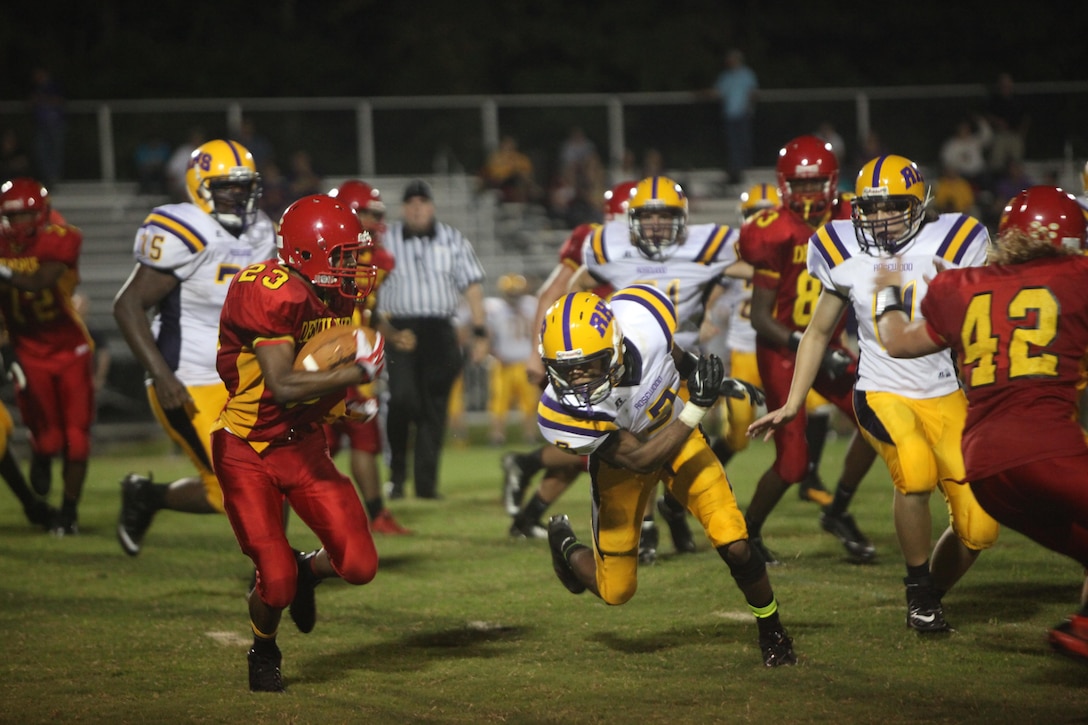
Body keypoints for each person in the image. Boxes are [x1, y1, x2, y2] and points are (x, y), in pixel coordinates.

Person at [748, 153, 1001, 633]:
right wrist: (793, 401)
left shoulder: (957, 240)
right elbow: (818, 333)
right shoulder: (844, 250)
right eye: (871, 207)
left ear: (920, 202)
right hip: (881, 390)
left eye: (892, 207)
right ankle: (918, 590)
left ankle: (931, 595)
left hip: (946, 391)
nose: (880, 218)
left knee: (980, 527)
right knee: (915, 469)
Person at [874, 184, 1088, 660]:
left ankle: (1083, 629)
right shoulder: (1078, 274)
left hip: (987, 469)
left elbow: (900, 341)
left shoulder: (962, 286)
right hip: (1048, 448)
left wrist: (886, 288)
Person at [539, 287, 795, 667]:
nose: (578, 383)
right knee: (616, 591)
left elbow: (672, 355)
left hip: (679, 442)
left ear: (616, 348)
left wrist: (709, 382)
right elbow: (640, 460)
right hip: (623, 469)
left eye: (589, 366)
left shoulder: (645, 319)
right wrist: (696, 407)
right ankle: (564, 544)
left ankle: (771, 628)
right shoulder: (557, 413)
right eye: (565, 371)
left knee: (735, 541)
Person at [212, 193, 386, 692]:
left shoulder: (338, 294)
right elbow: (284, 384)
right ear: (309, 253)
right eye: (344, 255)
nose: (354, 265)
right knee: (275, 579)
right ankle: (263, 648)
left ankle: (309, 569)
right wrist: (359, 370)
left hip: (304, 444)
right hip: (247, 448)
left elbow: (314, 379)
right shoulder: (269, 290)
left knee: (359, 564)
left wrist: (343, 406)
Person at [570, 174, 751, 563]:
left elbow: (757, 268)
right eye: (646, 217)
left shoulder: (709, 247)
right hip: (637, 369)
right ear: (630, 220)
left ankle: (680, 513)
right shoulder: (610, 249)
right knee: (647, 443)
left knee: (687, 450)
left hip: (687, 364)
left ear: (682, 219)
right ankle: (651, 525)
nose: (655, 225)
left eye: (665, 216)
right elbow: (576, 286)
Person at [112, 139, 278, 556]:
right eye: (228, 186)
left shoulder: (261, 230)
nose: (239, 195)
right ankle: (272, 572)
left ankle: (149, 496)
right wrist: (162, 376)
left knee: (275, 474)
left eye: (245, 186)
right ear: (199, 185)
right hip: (188, 378)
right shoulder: (185, 229)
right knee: (234, 489)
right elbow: (128, 306)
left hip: (244, 377)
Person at [736, 136, 878, 565]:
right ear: (784, 187)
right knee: (794, 463)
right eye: (800, 185)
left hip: (830, 343)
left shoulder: (852, 217)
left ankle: (837, 510)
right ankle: (747, 534)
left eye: (817, 183)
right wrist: (806, 344)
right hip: (782, 349)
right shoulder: (771, 231)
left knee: (879, 421)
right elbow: (761, 318)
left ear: (833, 182)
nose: (809, 194)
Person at [503, 180, 637, 540]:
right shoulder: (593, 240)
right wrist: (536, 354)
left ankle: (526, 519)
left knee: (587, 444)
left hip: (611, 357)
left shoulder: (652, 252)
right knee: (604, 444)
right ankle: (526, 462)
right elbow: (553, 293)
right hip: (584, 358)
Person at [375, 179, 487, 500]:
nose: (417, 207)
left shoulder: (453, 240)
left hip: (440, 330)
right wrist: (388, 331)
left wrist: (479, 331)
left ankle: (425, 485)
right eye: (411, 202)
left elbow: (473, 287)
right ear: (403, 208)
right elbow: (371, 289)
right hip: (400, 330)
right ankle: (397, 474)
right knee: (402, 400)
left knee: (434, 411)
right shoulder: (387, 240)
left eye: (422, 202)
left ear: (432, 206)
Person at [0, 177, 92, 534]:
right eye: (12, 217)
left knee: (78, 437)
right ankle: (41, 452)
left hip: (70, 347)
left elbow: (41, 280)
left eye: (25, 216)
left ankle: (69, 512)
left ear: (40, 214)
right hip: (27, 348)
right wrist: (7, 349)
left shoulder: (63, 235)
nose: (18, 224)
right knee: (50, 439)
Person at [325, 179, 413, 535]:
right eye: (368, 213)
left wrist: (391, 336)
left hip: (355, 362)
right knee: (316, 446)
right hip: (321, 359)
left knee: (365, 438)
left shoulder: (378, 259)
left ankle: (376, 514)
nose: (376, 222)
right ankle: (321, 514)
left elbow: (367, 309)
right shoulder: (323, 251)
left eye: (378, 215)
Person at [483, 274, 538, 446]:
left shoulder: (531, 305)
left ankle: (530, 435)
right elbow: (488, 336)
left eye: (516, 292)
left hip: (525, 362)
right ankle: (497, 436)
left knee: (529, 402)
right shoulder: (495, 309)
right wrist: (493, 353)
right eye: (511, 292)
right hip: (503, 363)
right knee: (498, 401)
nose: (514, 296)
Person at [710, 49, 758, 183]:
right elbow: (718, 92)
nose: (729, 62)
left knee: (744, 141)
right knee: (732, 143)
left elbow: (752, 92)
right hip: (729, 115)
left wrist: (749, 108)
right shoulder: (726, 76)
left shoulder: (747, 74)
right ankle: (735, 169)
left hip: (743, 114)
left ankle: (745, 168)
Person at [985, 72, 1030, 176]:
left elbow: (1026, 118)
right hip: (1000, 134)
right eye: (1003, 83)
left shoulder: (1018, 99)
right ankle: (997, 179)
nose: (1006, 86)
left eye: (1008, 83)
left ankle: (1017, 179)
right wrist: (997, 122)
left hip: (1015, 134)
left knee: (1017, 153)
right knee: (997, 158)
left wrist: (1022, 133)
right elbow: (988, 116)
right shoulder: (994, 99)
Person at [29, 68, 64, 187]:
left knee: (55, 152)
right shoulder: (36, 87)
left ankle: (54, 178)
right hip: (41, 125)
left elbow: (59, 100)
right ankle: (47, 178)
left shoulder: (53, 86)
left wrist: (42, 99)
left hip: (55, 124)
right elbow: (32, 102)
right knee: (41, 152)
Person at [479, 135, 536, 203]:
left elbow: (527, 172)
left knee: (519, 178)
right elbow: (492, 172)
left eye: (510, 144)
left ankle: (522, 202)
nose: (508, 146)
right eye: (507, 144)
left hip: (514, 180)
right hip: (498, 180)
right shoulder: (496, 157)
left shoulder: (521, 158)